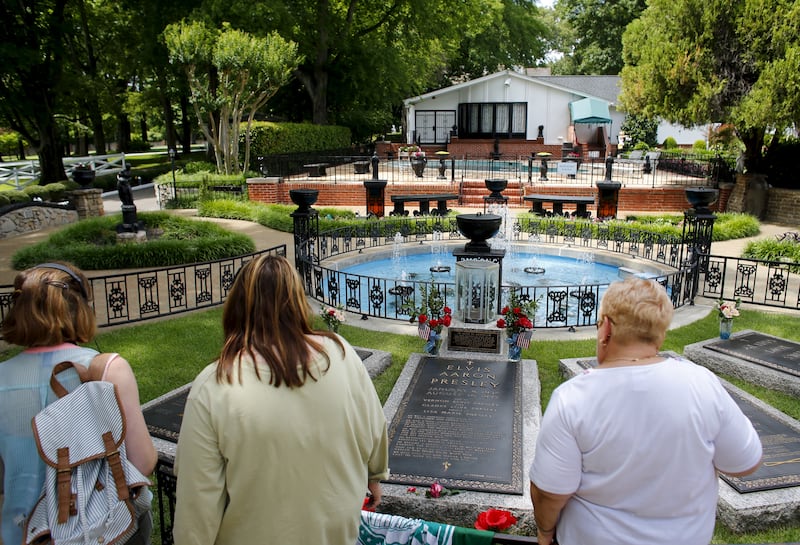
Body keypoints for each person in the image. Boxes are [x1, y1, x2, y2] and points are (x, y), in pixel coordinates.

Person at [172, 255, 389, 545]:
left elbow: (196, 508)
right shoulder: (341, 354)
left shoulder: (215, 384)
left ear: (237, 306)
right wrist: (375, 474)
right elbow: (374, 426)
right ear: (299, 301)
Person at [529, 277, 762, 545]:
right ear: (661, 334)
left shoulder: (572, 398)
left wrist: (545, 532)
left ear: (605, 329)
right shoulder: (702, 383)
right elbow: (745, 462)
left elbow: (551, 492)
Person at [0, 261, 157, 545]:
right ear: (80, 307)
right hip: (105, 529)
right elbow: (143, 461)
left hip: (26, 532)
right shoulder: (107, 369)